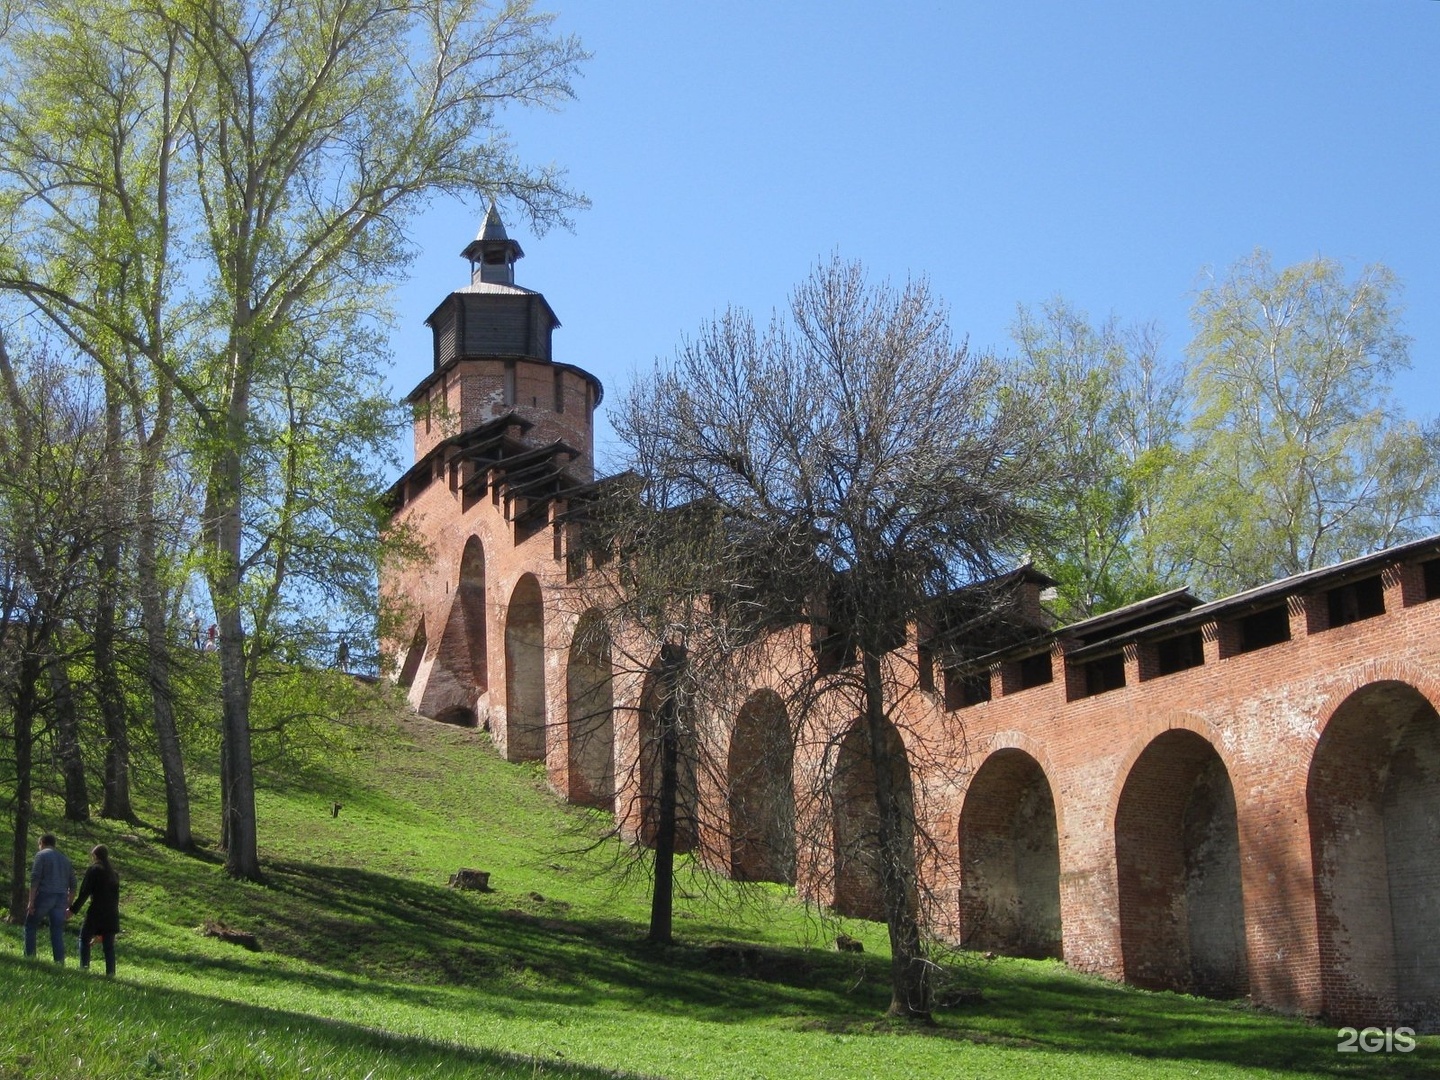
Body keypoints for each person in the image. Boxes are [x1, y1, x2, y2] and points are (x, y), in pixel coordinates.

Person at [70, 844, 120, 976]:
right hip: (112, 913)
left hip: (96, 912)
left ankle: (84, 968)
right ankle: (111, 973)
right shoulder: (114, 874)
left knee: (84, 939)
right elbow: (116, 897)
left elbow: (84, 892)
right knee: (108, 946)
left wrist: (73, 910)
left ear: (94, 856)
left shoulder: (94, 870)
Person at [24, 833, 75, 964]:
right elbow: (73, 884)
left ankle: (30, 957)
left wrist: (31, 901)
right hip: (61, 897)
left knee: (30, 924)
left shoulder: (41, 855)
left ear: (42, 843)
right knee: (57, 929)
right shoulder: (65, 859)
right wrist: (68, 903)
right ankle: (59, 961)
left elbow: (35, 879)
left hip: (45, 894)